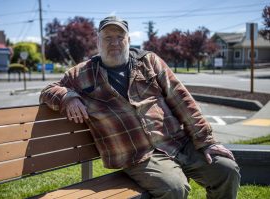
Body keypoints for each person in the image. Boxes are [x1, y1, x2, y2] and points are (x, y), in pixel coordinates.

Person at [40, 16, 240, 199]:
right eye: (108, 37)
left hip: (178, 142)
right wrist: (67, 96)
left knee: (226, 170)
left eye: (120, 36)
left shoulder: (149, 61)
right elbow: (48, 90)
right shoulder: (81, 73)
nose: (114, 42)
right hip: (138, 155)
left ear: (128, 39)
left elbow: (182, 100)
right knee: (174, 187)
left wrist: (206, 141)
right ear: (98, 41)